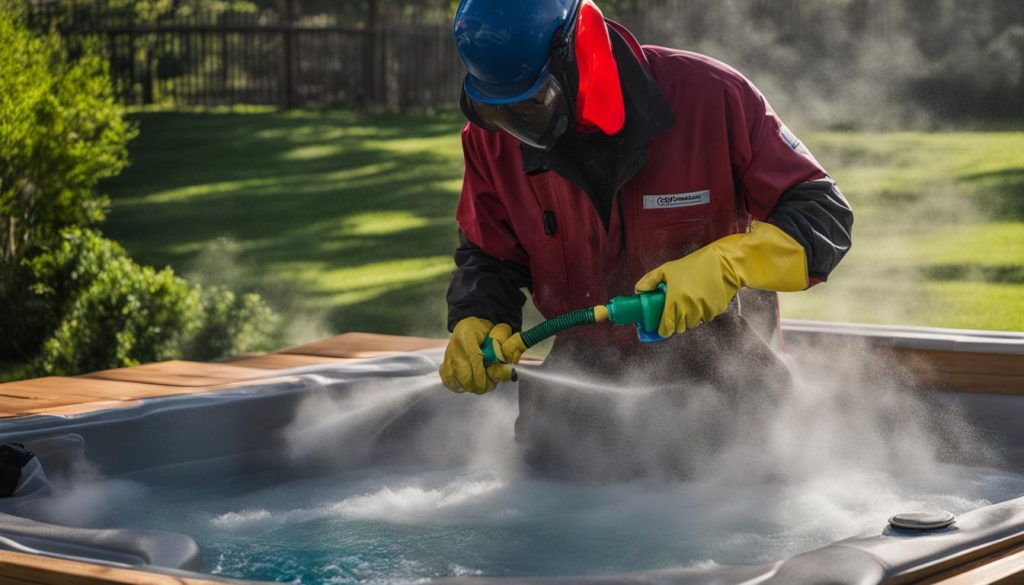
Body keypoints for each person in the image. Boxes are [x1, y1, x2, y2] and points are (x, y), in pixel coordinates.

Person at [439, 0, 853, 479]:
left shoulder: (712, 97)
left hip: (730, 392)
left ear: (581, 46)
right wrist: (478, 315)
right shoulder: (492, 138)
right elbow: (488, 254)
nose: (516, 128)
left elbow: (825, 216)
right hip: (575, 408)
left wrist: (727, 264)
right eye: (497, 111)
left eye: (533, 105)